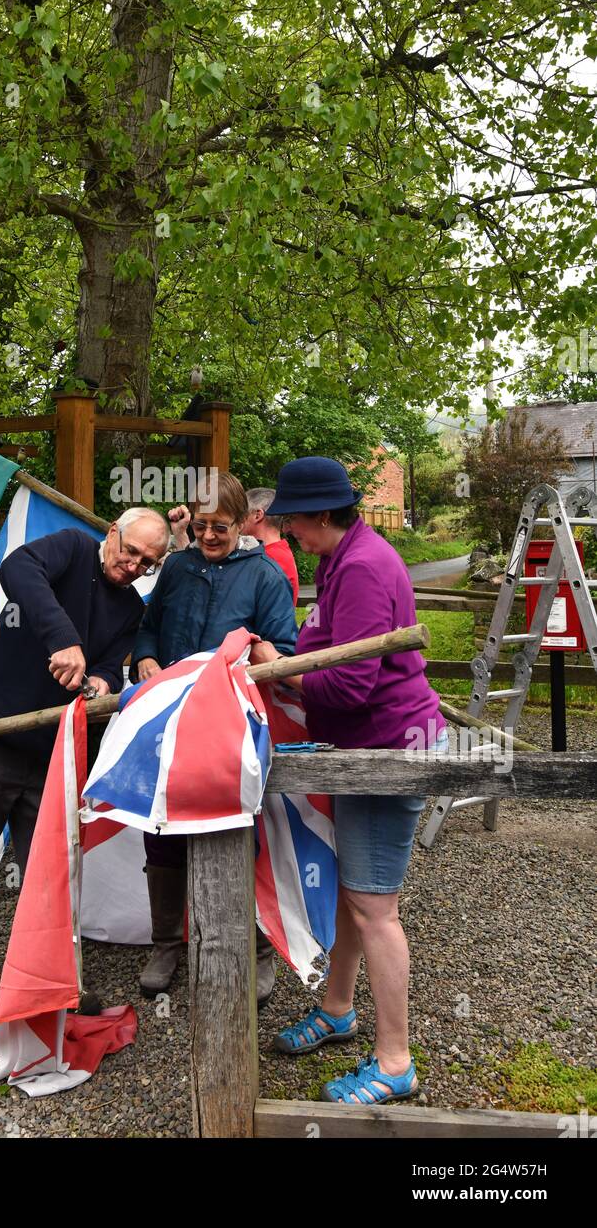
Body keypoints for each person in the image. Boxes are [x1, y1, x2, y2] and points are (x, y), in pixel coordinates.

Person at [0, 507, 170, 1031]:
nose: (133, 564)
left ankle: (51, 981)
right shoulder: (71, 548)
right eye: (129, 550)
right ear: (112, 533)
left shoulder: (128, 608)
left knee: (49, 876)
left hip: (53, 754)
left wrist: (100, 683)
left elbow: (105, 665)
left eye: (147, 561)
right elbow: (18, 570)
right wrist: (61, 637)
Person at [249, 456, 446, 1106]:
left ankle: (395, 1061)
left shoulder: (361, 566)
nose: (290, 533)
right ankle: (339, 1010)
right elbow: (327, 638)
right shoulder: (341, 558)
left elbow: (354, 682)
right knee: (351, 891)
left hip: (390, 751)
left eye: (295, 521)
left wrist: (283, 672)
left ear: (323, 515)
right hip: (365, 746)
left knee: (377, 908)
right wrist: (297, 654)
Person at [132, 472, 297, 1005]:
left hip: (231, 722)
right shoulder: (177, 567)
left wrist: (253, 659)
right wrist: (145, 658)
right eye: (200, 526)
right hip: (171, 719)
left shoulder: (265, 576)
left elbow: (283, 649)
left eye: (218, 527)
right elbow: (148, 627)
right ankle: (166, 942)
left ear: (242, 523)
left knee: (237, 828)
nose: (207, 535)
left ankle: (255, 949)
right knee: (161, 825)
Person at [244, 487, 300, 604]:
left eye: (242, 514)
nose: (237, 520)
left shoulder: (270, 557)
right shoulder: (276, 552)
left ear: (257, 515)